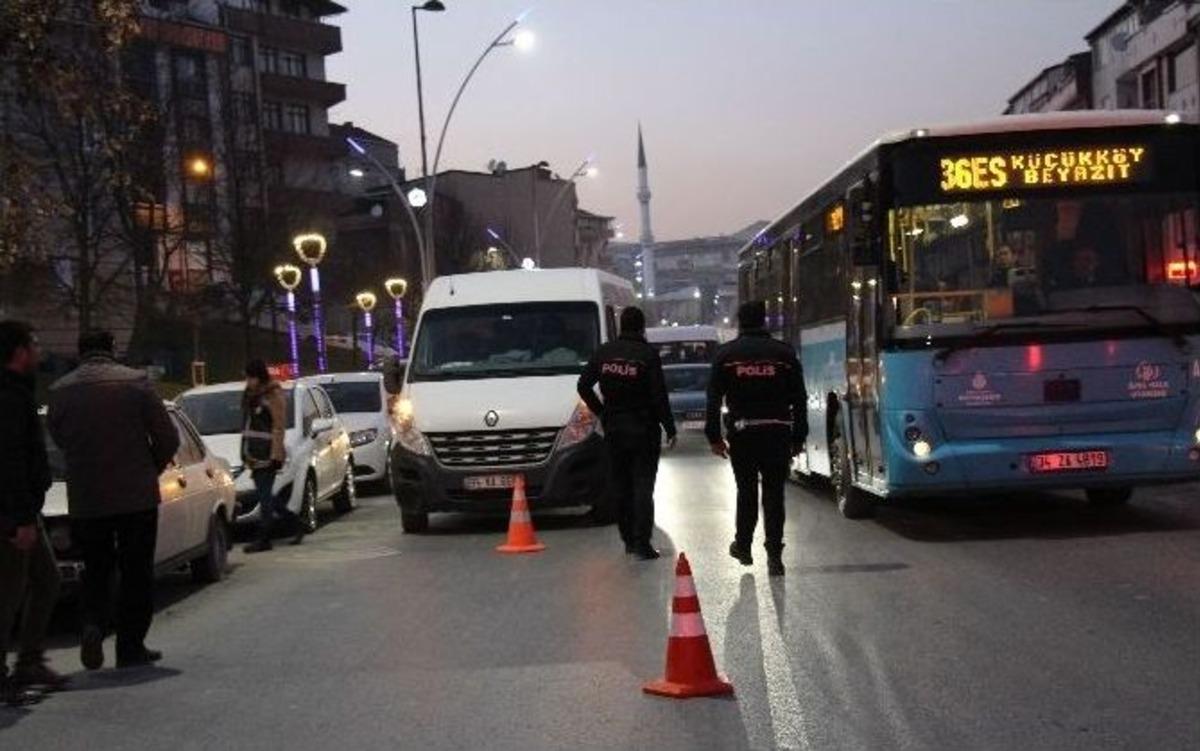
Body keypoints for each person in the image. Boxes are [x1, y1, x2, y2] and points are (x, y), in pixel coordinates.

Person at [47, 330, 179, 670]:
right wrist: (149, 467)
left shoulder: (61, 391)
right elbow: (167, 436)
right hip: (135, 496)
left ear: (80, 353)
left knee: (96, 568)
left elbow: (60, 439)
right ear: (112, 349)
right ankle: (130, 644)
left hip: (87, 498)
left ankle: (93, 623)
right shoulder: (135, 383)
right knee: (136, 570)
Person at [705, 301, 807, 577]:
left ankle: (744, 546)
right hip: (777, 433)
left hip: (743, 434)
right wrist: (799, 437)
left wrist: (714, 437)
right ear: (764, 321)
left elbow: (713, 399)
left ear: (740, 321)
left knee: (746, 491)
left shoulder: (727, 355)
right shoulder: (784, 354)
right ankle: (775, 557)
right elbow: (799, 398)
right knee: (774, 494)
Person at [577, 307, 677, 560]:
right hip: (643, 429)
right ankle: (643, 542)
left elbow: (583, 385)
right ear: (642, 327)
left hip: (614, 429)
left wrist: (602, 412)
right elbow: (658, 396)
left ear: (621, 326)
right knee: (643, 486)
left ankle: (628, 540)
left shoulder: (604, 353)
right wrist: (670, 428)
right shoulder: (647, 355)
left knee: (621, 485)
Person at [0, 322, 66, 705]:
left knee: (47, 580)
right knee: (8, 594)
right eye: (35, 344)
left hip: (24, 510)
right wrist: (20, 519)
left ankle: (29, 661)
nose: (39, 350)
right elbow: (10, 461)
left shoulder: (18, 391)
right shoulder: (8, 397)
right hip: (13, 516)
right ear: (19, 351)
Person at [241, 360, 298, 553]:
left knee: (264, 497)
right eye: (247, 377)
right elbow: (248, 424)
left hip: (268, 453)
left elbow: (279, 425)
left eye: (251, 377)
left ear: (259, 376)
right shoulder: (250, 394)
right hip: (253, 452)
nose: (248, 381)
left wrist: (276, 453)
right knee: (265, 496)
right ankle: (296, 524)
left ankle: (264, 538)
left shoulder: (273, 394)